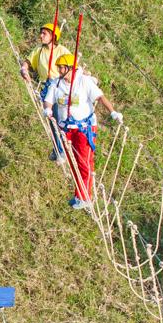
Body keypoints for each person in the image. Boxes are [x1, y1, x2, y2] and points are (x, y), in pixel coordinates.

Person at [43, 53, 123, 210]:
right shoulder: (57, 84)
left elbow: (100, 97)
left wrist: (113, 112)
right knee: (73, 161)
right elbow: (48, 99)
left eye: (61, 68)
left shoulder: (83, 82)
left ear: (70, 68)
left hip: (84, 129)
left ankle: (86, 196)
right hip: (66, 129)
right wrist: (47, 109)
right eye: (58, 67)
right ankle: (79, 194)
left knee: (84, 162)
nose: (59, 71)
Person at [20, 23, 72, 162]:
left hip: (60, 88)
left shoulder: (62, 50)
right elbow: (27, 62)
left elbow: (73, 66)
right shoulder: (39, 50)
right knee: (52, 119)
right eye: (41, 33)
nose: (41, 35)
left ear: (53, 37)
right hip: (46, 88)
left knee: (61, 117)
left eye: (45, 33)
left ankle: (62, 150)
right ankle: (58, 149)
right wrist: (24, 69)